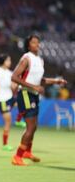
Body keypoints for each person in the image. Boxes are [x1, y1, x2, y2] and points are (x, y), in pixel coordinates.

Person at [11, 34, 67, 166]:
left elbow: (40, 80)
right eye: (34, 42)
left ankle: (27, 152)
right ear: (28, 45)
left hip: (34, 94)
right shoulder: (26, 58)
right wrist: (34, 86)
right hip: (25, 94)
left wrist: (56, 81)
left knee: (34, 127)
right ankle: (17, 156)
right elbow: (14, 77)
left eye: (38, 42)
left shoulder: (40, 60)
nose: (37, 44)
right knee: (30, 127)